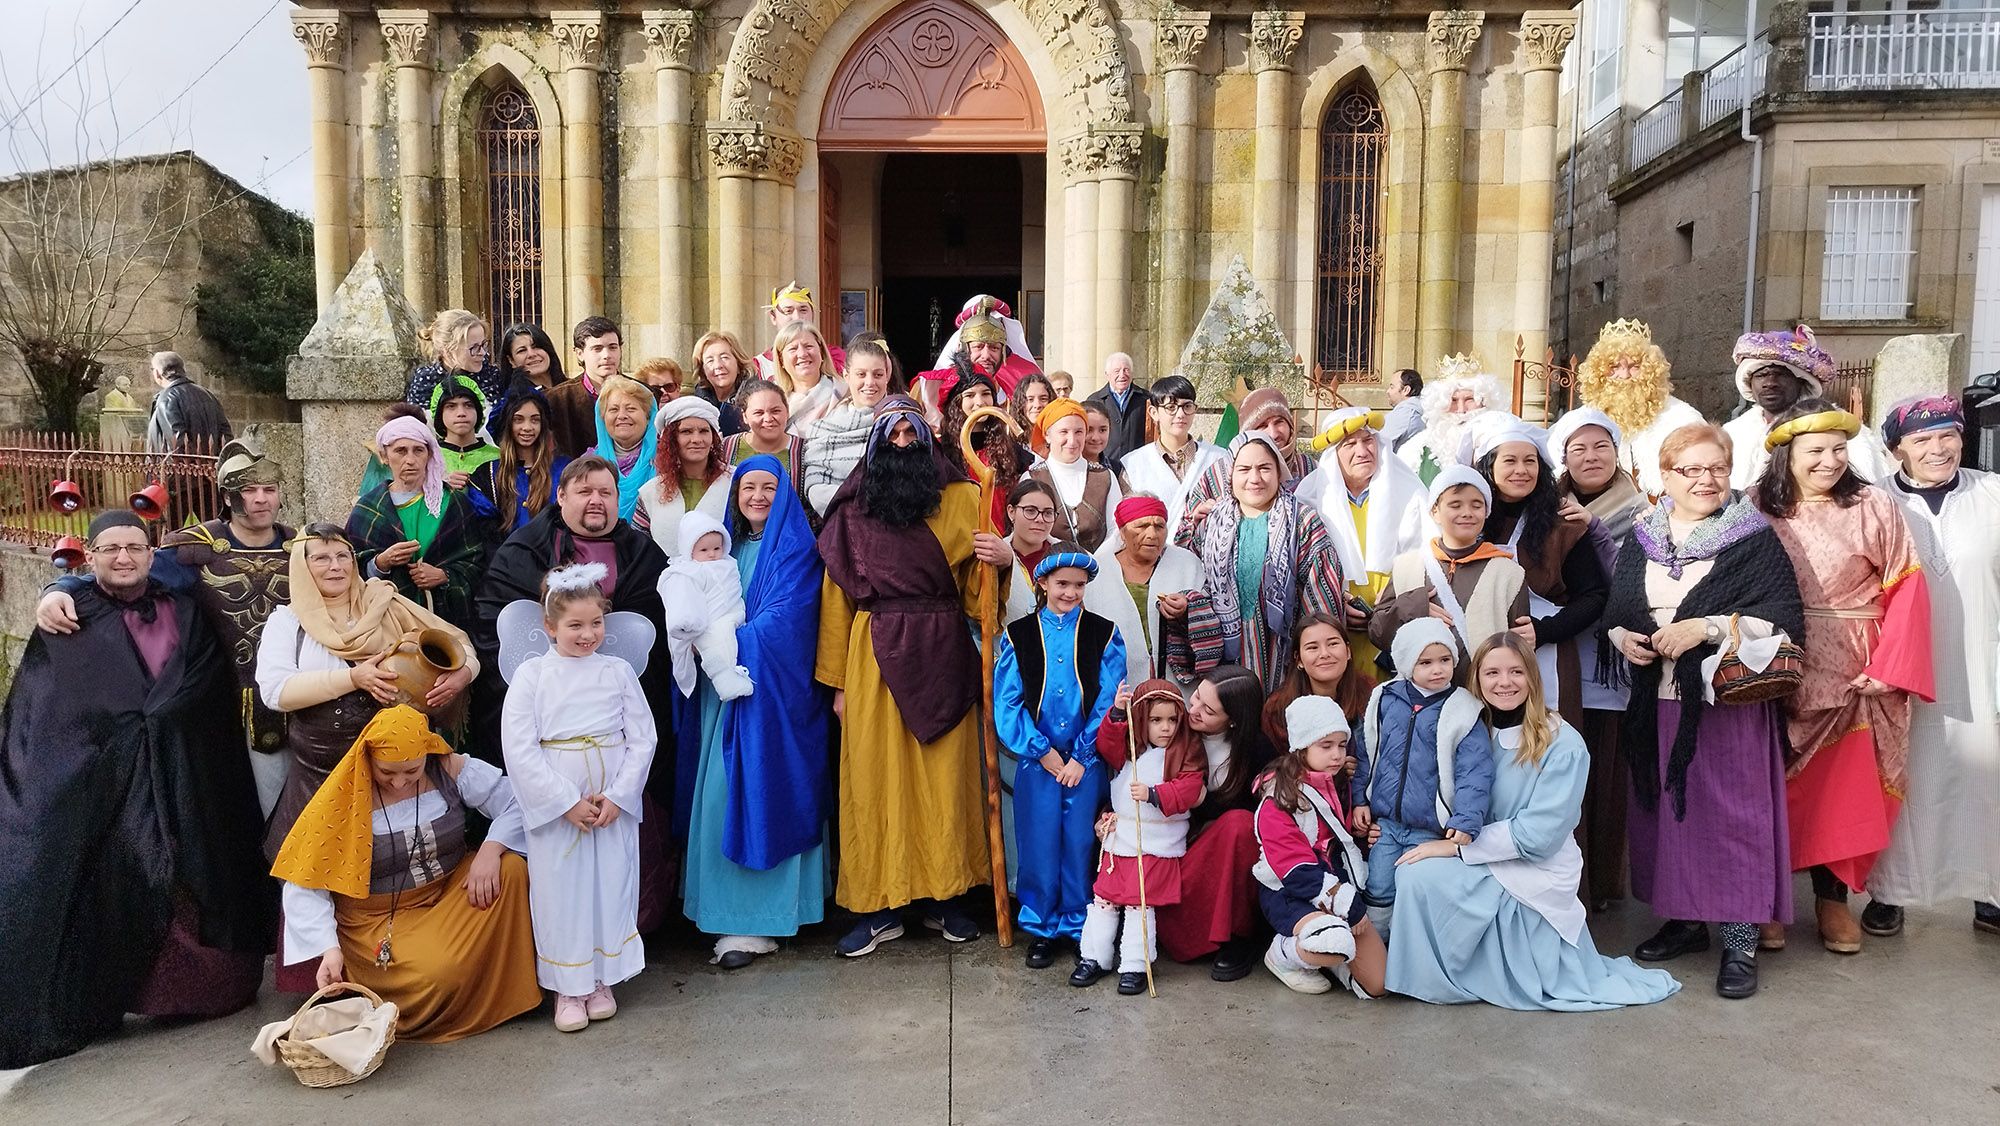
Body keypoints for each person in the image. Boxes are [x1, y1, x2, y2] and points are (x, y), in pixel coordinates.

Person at [1, 510, 273, 1068]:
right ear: (90, 557)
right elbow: (46, 717)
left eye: (134, 547)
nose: (123, 557)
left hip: (189, 771)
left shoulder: (187, 605)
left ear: (153, 554)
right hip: (107, 783)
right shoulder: (67, 618)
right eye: (110, 549)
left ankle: (202, 991)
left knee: (194, 867)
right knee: (126, 870)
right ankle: (126, 992)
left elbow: (203, 688)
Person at [1604, 421, 1803, 1000]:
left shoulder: (1751, 537)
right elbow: (1620, 607)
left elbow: (1784, 614)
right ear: (1665, 477)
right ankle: (1688, 922)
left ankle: (1740, 940)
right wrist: (1624, 637)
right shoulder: (1643, 535)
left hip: (1725, 705)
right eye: (1691, 470)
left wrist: (1705, 627)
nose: (1706, 480)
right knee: (1668, 815)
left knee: (1731, 819)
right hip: (1657, 702)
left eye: (1716, 468)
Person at [1384, 634, 1681, 1010]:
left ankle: (1457, 980)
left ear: (1533, 678)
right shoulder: (1469, 732)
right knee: (1409, 869)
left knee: (1420, 875)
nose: (1503, 682)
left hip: (1534, 868)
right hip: (1480, 854)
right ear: (1476, 678)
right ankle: (1428, 977)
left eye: (1515, 672)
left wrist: (1455, 847)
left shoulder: (1563, 743)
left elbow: (1539, 836)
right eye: (1492, 672)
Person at [815, 396, 1015, 954]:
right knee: (875, 782)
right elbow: (836, 600)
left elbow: (980, 603)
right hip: (872, 653)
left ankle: (947, 898)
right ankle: (881, 904)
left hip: (942, 646)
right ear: (876, 443)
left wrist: (998, 561)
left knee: (945, 781)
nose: (903, 442)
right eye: (893, 434)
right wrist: (836, 685)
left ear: (927, 442)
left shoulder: (965, 498)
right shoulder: (851, 509)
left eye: (912, 434)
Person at [1755, 400, 1933, 953]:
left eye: (1838, 449)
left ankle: (1833, 902)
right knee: (1770, 787)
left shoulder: (1872, 504)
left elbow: (1907, 584)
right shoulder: (1758, 507)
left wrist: (1890, 669)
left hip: (1858, 670)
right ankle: (1769, 903)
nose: (1830, 461)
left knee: (1842, 794)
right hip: (1776, 662)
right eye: (1815, 451)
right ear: (1788, 455)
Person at [36, 437, 296, 815]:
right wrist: (59, 588)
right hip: (213, 699)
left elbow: (346, 582)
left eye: (269, 490)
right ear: (228, 498)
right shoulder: (195, 550)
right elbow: (127, 577)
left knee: (291, 809)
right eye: (249, 490)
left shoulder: (301, 547)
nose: (261, 499)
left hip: (294, 697)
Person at [473, 455, 673, 924]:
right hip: (552, 740)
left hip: (621, 726)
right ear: (560, 496)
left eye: (605, 493)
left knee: (625, 850)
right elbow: (494, 628)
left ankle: (629, 935)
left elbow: (662, 631)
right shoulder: (522, 551)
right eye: (584, 492)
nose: (596, 501)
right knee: (561, 874)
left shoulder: (643, 554)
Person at [272, 705, 540, 1041]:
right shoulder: (344, 798)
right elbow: (305, 882)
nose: (399, 782)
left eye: (411, 772)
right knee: (437, 973)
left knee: (511, 869)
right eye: (386, 773)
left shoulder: (449, 768)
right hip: (380, 920)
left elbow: (519, 800)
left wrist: (492, 847)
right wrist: (328, 948)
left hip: (448, 894)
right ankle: (459, 995)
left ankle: (509, 990)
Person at [679, 456, 832, 968]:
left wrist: (723, 639)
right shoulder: (718, 550)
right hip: (722, 695)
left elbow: (790, 620)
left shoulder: (796, 551)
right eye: (749, 487)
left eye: (770, 487)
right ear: (734, 494)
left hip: (771, 696)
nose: (758, 496)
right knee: (722, 795)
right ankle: (727, 913)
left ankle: (762, 920)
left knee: (760, 789)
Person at [1866, 396, 2000, 937]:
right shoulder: (1875, 503)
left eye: (1947, 435)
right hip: (1902, 663)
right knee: (1902, 773)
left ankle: (1990, 891)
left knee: (1982, 778)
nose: (1937, 448)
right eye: (1921, 440)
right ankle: (1889, 892)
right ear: (1897, 447)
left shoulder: (1993, 495)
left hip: (1980, 657)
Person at [502, 564, 656, 1031]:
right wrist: (565, 801)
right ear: (549, 627)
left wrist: (619, 796)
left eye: (596, 623)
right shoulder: (532, 677)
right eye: (575, 625)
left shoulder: (618, 671)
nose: (588, 634)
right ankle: (569, 986)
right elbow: (520, 748)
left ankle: (603, 976)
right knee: (562, 890)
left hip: (609, 802)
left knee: (610, 883)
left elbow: (642, 737)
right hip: (560, 807)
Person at [995, 547, 1127, 969]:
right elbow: (1007, 703)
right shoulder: (1019, 635)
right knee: (1038, 842)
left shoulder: (1103, 634)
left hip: (1084, 765)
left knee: (1080, 841)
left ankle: (1079, 924)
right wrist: (1044, 753)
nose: (1070, 592)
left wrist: (1082, 755)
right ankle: (1041, 925)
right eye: (1062, 584)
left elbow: (1109, 698)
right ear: (1043, 584)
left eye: (1078, 585)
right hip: (1040, 764)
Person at [1545, 405, 1646, 909]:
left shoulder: (1642, 509)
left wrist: (1594, 533)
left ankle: (1604, 880)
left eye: (1601, 446)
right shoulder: (1547, 505)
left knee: (1607, 768)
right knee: (1564, 763)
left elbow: (1636, 582)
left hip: (1614, 659)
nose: (1591, 457)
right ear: (1563, 456)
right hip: (1563, 651)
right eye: (1578, 448)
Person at [1351, 618, 1494, 940]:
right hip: (1386, 823)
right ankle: (1378, 947)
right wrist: (1360, 798)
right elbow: (1366, 753)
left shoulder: (1462, 709)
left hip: (1429, 827)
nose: (1437, 669)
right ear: (1405, 663)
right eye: (1425, 662)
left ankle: (1412, 952)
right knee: (1379, 885)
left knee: (1416, 888)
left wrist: (1467, 816)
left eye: (1445, 660)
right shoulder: (1384, 698)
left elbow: (1475, 770)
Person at [1179, 431, 1347, 693]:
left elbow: (1321, 594)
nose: (1254, 478)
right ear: (1230, 476)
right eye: (1244, 469)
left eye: (1264, 468)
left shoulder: (1303, 522)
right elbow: (1188, 580)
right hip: (1223, 658)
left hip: (1286, 658)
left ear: (1279, 472)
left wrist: (1313, 652)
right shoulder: (1210, 525)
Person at [1077, 679, 1210, 994]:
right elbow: (1107, 746)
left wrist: (1154, 794)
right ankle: (1093, 956)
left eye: (1172, 720)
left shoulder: (1184, 753)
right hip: (1121, 838)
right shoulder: (1129, 748)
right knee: (1104, 899)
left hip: (1156, 844)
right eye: (1155, 720)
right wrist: (1119, 715)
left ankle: (1136, 964)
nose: (1165, 728)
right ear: (1142, 720)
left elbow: (1190, 788)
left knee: (1140, 904)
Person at [1252, 696, 1386, 997]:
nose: (1337, 754)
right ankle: (1284, 954)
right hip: (1289, 894)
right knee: (1332, 941)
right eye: (1325, 746)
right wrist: (1348, 906)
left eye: (1341, 745)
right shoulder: (1277, 799)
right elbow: (1296, 872)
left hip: (1335, 885)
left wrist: (1363, 832)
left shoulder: (1336, 781)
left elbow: (1333, 838)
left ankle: (1334, 958)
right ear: (1301, 747)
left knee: (1377, 985)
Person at [1476, 423, 1609, 721]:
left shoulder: (1563, 525)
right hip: (1479, 654)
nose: (1521, 470)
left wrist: (1544, 631)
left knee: (1548, 744)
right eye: (1509, 461)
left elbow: (1594, 595)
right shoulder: (1470, 523)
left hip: (1548, 656)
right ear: (1488, 468)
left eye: (1530, 461)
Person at [1154, 664, 1273, 979]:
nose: (1193, 710)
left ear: (1233, 720)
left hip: (1231, 865)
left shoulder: (1257, 751)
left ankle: (1239, 935)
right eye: (1195, 699)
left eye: (1208, 710)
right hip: (1175, 850)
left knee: (1241, 825)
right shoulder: (1170, 729)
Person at [1293, 407, 1428, 675]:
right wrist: (1334, 600)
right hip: (1334, 623)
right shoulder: (1309, 498)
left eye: (1368, 441)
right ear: (1334, 455)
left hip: (1396, 616)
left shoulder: (1408, 490)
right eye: (1350, 444)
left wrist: (1395, 596)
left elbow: (1424, 552)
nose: (1363, 451)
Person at [1368, 466, 1529, 666]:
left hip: (1482, 693)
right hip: (1419, 695)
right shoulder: (1407, 566)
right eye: (1455, 505)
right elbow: (1378, 634)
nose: (1467, 513)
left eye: (1477, 505)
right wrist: (1414, 607)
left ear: (1486, 511)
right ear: (1435, 511)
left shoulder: (1508, 573)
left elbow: (1520, 647)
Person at [348, 405, 485, 631]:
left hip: (446, 622)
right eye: (400, 451)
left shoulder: (453, 503)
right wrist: (381, 563)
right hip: (388, 624)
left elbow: (476, 561)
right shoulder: (368, 508)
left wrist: (444, 576)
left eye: (418, 450)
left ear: (429, 454)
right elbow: (350, 567)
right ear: (384, 456)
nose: (410, 460)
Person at [1724, 324, 1889, 489]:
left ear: (1801, 382)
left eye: (1781, 375)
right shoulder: (1733, 433)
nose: (1770, 383)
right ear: (1750, 383)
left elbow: (1860, 494)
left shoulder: (1839, 430)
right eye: (1761, 375)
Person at [1085, 494, 1215, 689]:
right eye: (1142, 526)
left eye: (1159, 526)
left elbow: (1210, 614)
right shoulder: (1097, 572)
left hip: (1178, 688)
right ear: (1122, 532)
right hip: (1115, 687)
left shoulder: (1187, 564)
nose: (1152, 535)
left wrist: (1188, 609)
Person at [1573, 319, 1704, 495]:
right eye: (1614, 367)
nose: (1624, 375)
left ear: (1652, 371)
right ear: (1598, 372)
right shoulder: (1581, 420)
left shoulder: (1681, 419)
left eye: (1635, 366)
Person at [660, 514, 754, 701]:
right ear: (689, 550)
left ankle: (732, 672)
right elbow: (682, 599)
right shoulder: (687, 571)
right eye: (704, 549)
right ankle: (724, 679)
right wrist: (685, 623)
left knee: (728, 641)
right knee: (715, 641)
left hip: (733, 612)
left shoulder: (728, 563)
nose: (712, 554)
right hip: (708, 620)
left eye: (717, 548)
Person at [1124, 375, 1229, 541]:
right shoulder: (1133, 464)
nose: (1180, 414)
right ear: (1153, 412)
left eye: (1187, 406)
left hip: (1210, 555)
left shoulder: (1218, 458)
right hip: (1154, 558)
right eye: (1171, 407)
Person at [801, 336, 897, 517]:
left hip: (894, 525)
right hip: (837, 527)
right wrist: (854, 510)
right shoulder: (823, 429)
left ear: (887, 376)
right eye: (861, 374)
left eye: (878, 374)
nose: (870, 382)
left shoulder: (903, 424)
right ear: (847, 376)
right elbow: (814, 486)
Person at [1260, 612, 1375, 755]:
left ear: (1348, 651)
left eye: (1333, 644)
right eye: (1312, 648)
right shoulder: (1278, 708)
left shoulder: (1371, 694)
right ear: (1299, 660)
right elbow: (1278, 767)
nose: (1324, 654)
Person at [470, 379, 571, 539]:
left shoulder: (564, 469)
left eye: (535, 420)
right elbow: (486, 535)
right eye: (518, 419)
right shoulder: (488, 475)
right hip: (505, 560)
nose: (527, 427)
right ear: (508, 424)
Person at [635, 394, 734, 550]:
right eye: (686, 432)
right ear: (671, 440)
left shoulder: (735, 482)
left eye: (703, 431)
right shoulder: (651, 492)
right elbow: (639, 548)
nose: (696, 439)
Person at [941, 365, 1034, 531]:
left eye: (986, 394)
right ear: (957, 402)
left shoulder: (1013, 452)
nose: (980, 402)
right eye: (970, 395)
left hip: (1000, 542)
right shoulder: (941, 451)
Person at [1027, 399, 1124, 553]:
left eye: (1079, 432)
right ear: (1047, 435)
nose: (1072, 441)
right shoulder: (1031, 478)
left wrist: (1096, 560)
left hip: (1098, 569)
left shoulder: (1105, 476)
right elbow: (1026, 532)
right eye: (1063, 432)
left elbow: (1117, 528)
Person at [914, 295, 1042, 410]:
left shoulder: (1029, 376)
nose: (986, 355)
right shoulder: (928, 387)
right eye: (978, 346)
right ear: (963, 347)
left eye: (994, 347)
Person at [1399, 355, 1504, 485]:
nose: (1461, 410)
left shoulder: (1504, 444)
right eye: (1453, 400)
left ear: (1484, 402)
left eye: (1469, 400)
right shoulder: (1414, 451)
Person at [547, 316, 625, 458]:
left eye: (613, 347)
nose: (607, 355)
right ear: (580, 353)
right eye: (597, 349)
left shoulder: (642, 393)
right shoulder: (557, 399)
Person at [591, 374, 661, 521]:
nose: (622, 415)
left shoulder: (667, 460)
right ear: (602, 418)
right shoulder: (589, 464)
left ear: (648, 417)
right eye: (614, 410)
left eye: (631, 409)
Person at [404, 309, 501, 413]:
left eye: (483, 344)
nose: (482, 352)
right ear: (447, 349)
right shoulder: (426, 380)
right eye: (474, 347)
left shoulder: (492, 375)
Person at [145, 350, 233, 455]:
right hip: (210, 467)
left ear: (157, 373)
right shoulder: (208, 395)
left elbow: (176, 443)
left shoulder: (166, 398)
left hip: (179, 469)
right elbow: (226, 435)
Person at [754, 282, 848, 380]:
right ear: (773, 317)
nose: (797, 317)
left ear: (813, 314)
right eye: (788, 311)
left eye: (803, 310)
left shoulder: (836, 358)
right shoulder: (759, 367)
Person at [726, 377, 806, 484]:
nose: (768, 419)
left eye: (775, 411)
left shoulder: (804, 451)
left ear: (787, 411)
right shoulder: (726, 448)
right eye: (759, 413)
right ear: (745, 416)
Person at [771, 320, 846, 434]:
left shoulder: (845, 393)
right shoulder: (770, 400)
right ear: (781, 360)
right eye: (793, 349)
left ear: (821, 352)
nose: (802, 354)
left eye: (808, 346)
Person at [429, 372, 500, 488]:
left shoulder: (498, 458)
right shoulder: (429, 457)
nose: (461, 413)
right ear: (439, 414)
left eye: (468, 405)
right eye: (451, 406)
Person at [1084, 351, 1151, 462]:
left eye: (1126, 370)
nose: (1122, 375)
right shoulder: (1094, 400)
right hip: (1104, 463)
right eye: (1117, 371)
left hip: (1137, 464)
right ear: (1107, 374)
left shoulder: (1146, 399)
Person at [693, 329, 754, 435]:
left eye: (724, 357)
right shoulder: (695, 406)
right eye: (710, 360)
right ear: (703, 370)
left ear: (739, 364)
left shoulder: (755, 400)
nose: (718, 365)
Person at [497, 322, 569, 393]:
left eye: (536, 347)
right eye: (522, 350)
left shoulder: (574, 389)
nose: (531, 354)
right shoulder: (518, 401)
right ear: (511, 360)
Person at [1381, 368, 1425, 452]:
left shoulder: (1404, 413)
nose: (1388, 391)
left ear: (1406, 390)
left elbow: (1381, 448)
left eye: (1392, 387)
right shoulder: (1424, 410)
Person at [1080, 400, 1125, 481]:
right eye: (1089, 430)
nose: (1096, 438)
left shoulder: (1117, 469)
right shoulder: (1069, 467)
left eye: (1102, 430)